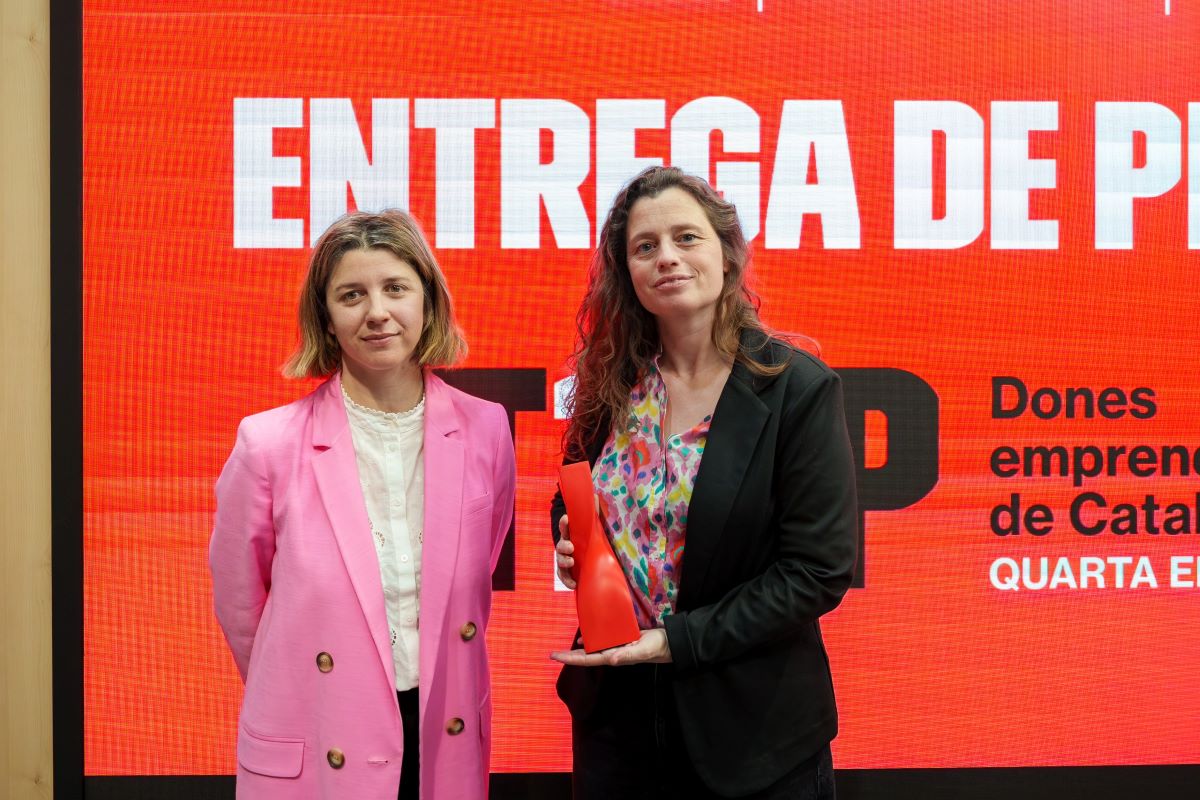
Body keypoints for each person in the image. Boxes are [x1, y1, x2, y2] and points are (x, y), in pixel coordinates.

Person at [550, 166, 858, 800]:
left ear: (727, 251)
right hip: (617, 726)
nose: (667, 257)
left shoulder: (796, 388)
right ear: (627, 272)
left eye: (686, 237)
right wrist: (570, 543)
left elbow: (817, 571)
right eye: (645, 246)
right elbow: (576, 495)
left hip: (754, 736)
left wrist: (675, 643)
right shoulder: (608, 383)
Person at [210, 210, 516, 800]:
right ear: (326, 319)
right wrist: (304, 688)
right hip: (322, 724)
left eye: (396, 288)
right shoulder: (267, 444)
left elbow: (474, 579)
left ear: (427, 301)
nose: (377, 311)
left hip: (442, 724)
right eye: (352, 295)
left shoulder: (486, 428)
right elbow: (240, 605)